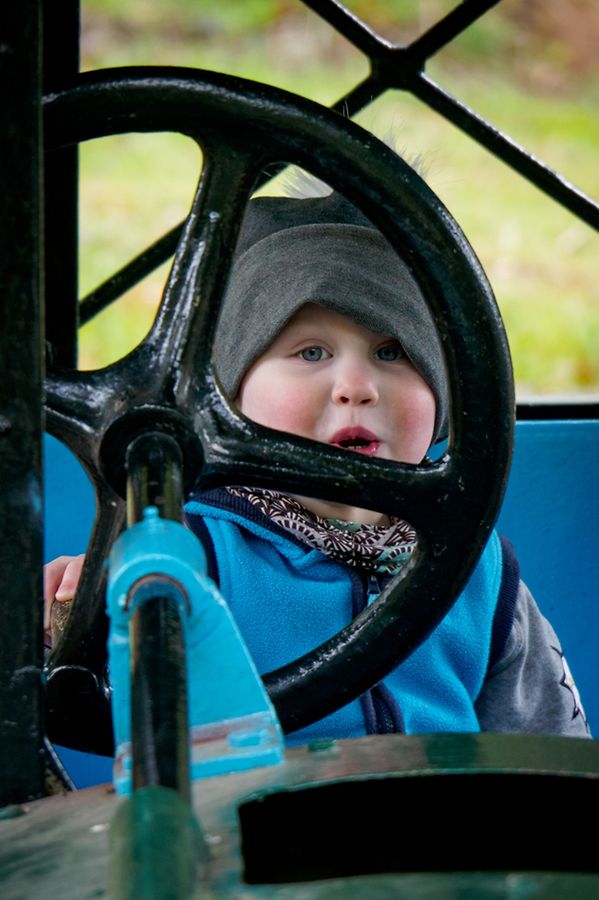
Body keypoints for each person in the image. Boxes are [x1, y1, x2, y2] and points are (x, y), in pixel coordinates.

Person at [44, 190, 590, 743]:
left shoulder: (478, 571)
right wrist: (76, 606)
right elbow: (84, 693)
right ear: (231, 399)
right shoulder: (192, 556)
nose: (356, 387)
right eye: (311, 353)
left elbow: (546, 750)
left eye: (392, 352)